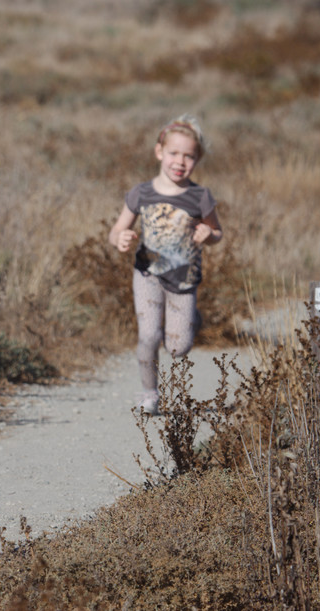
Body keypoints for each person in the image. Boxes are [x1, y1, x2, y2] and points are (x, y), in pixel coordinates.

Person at [108, 114, 223, 415]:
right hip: (147, 274)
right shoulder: (141, 193)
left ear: (197, 160)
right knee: (148, 336)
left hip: (184, 279)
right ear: (159, 151)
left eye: (189, 156)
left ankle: (191, 319)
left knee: (177, 348)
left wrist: (208, 234)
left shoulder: (199, 197)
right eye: (174, 153)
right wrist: (120, 238)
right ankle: (149, 394)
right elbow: (116, 229)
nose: (180, 161)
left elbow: (217, 232)